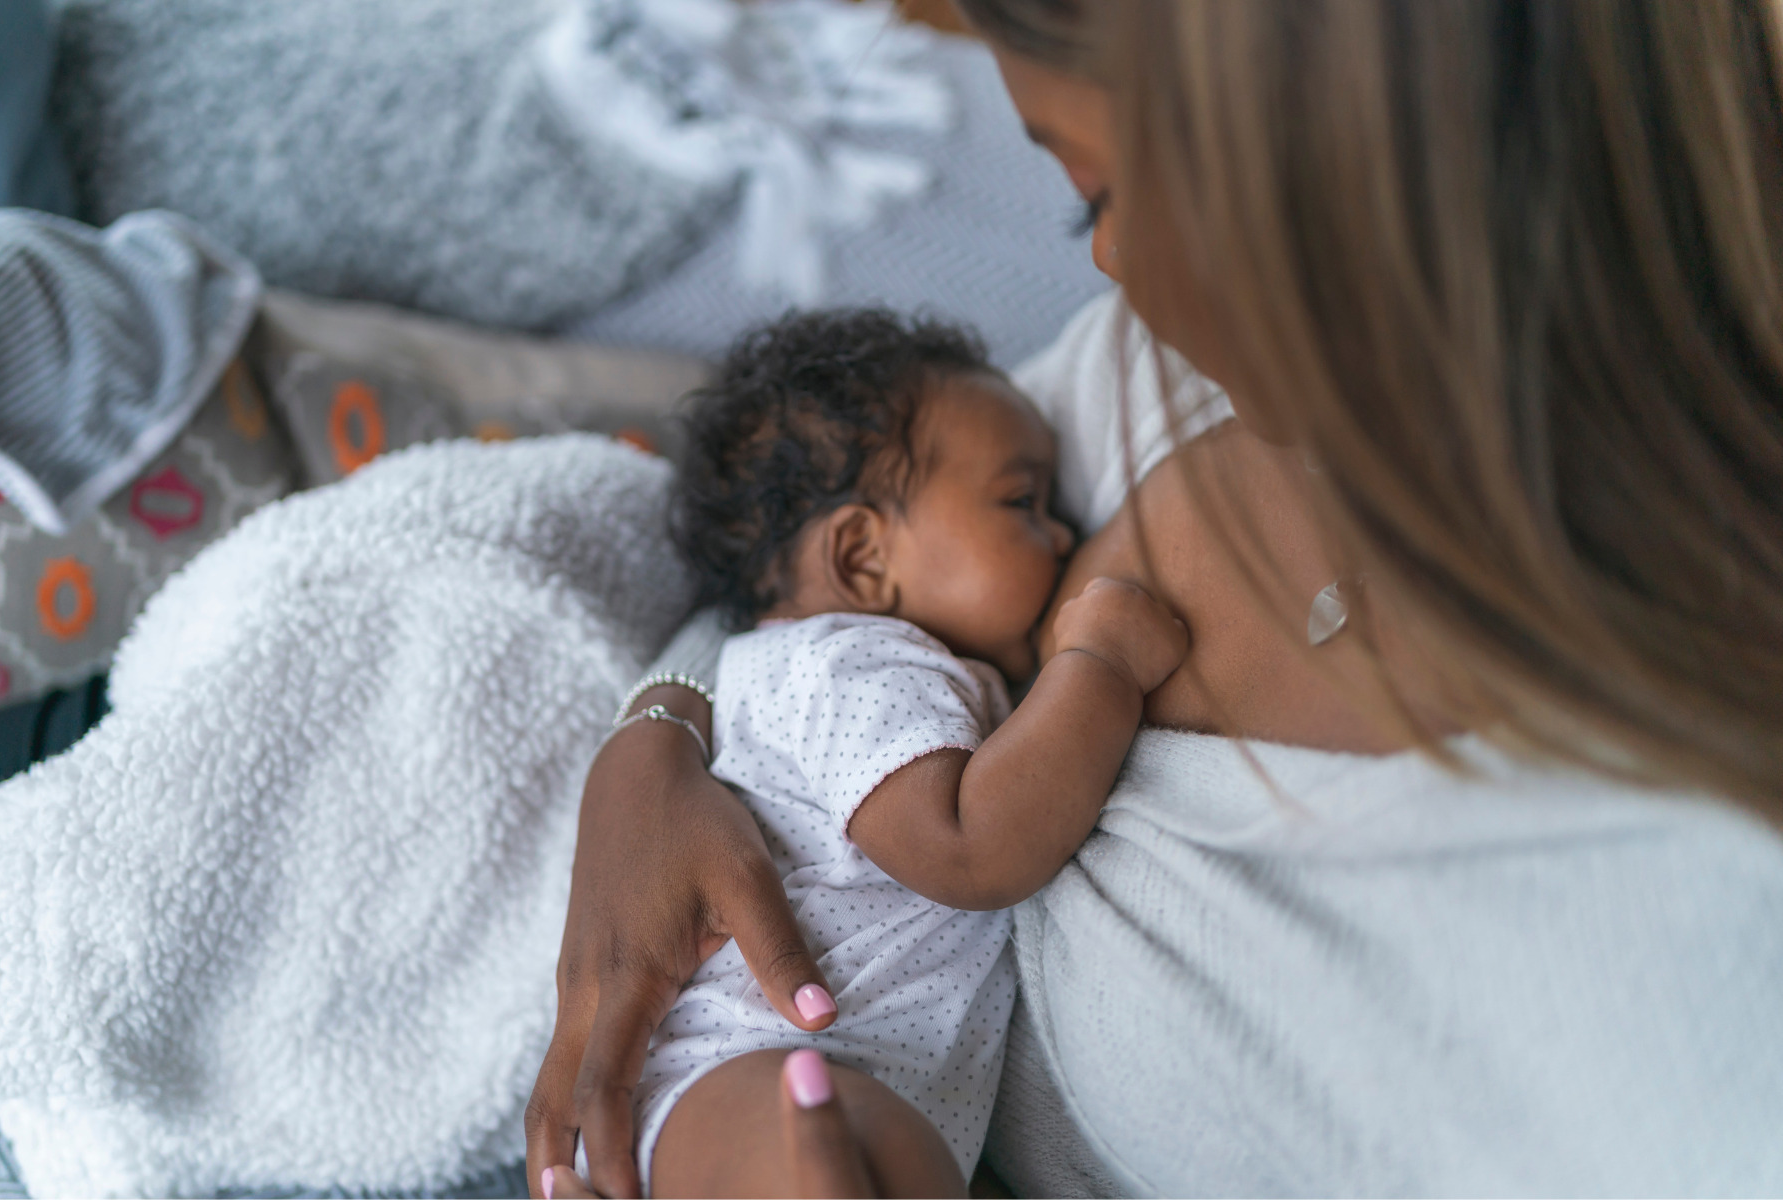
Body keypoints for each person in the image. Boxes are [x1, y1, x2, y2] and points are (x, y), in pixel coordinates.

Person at [530, 1, 1783, 1196]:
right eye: (1086, 210)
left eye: (1108, 196)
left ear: (1339, 124)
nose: (1112, 266)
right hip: (760, 1069)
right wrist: (656, 742)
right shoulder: (1147, 383)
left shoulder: (1685, 924)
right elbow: (800, 579)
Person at [606, 308, 1183, 1196]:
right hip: (752, 1064)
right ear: (864, 557)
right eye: (1021, 502)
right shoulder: (856, 663)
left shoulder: (848, 670)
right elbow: (968, 843)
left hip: (815, 1080)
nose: (1063, 535)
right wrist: (1100, 666)